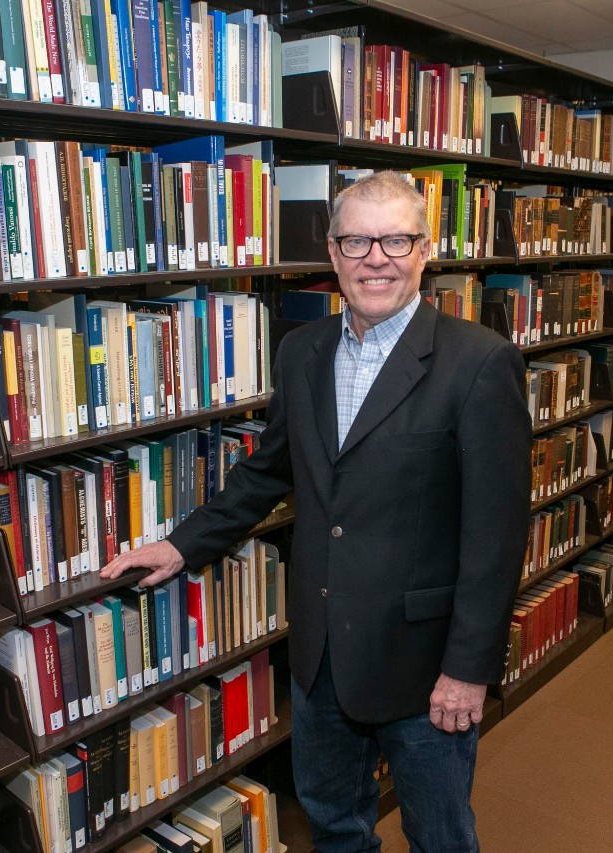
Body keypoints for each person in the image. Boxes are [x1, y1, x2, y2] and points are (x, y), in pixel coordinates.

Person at [101, 172, 531, 852]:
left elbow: (497, 534)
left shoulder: (479, 363)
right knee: (333, 825)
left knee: (441, 836)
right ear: (332, 253)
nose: (376, 257)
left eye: (395, 239)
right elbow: (267, 470)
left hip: (424, 666)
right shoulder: (302, 351)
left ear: (425, 251)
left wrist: (469, 666)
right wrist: (181, 546)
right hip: (320, 652)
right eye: (357, 239)